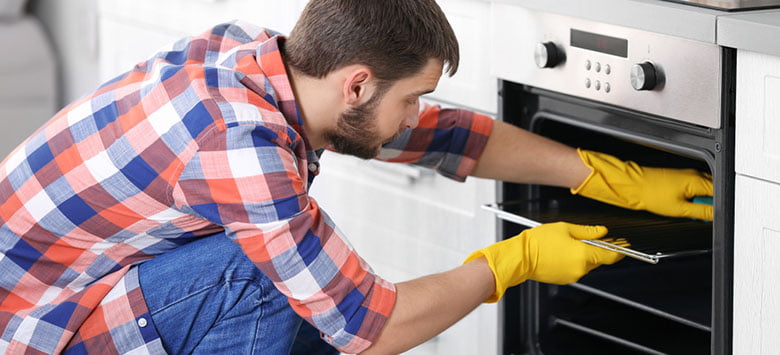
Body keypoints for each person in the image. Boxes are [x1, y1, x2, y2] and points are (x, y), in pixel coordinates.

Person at [0, 0, 713, 354]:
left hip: (62, 293)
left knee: (289, 279)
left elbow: (437, 136)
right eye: (414, 95)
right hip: (37, 332)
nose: (420, 112)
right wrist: (512, 262)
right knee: (261, 278)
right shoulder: (243, 145)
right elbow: (368, 326)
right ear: (358, 84)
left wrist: (599, 173)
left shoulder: (256, 61)